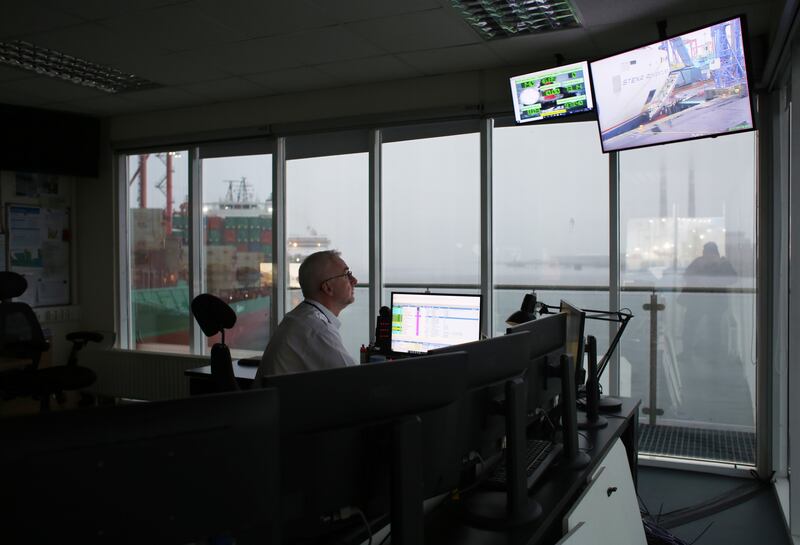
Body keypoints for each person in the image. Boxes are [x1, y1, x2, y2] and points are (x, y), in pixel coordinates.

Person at [256, 250, 358, 378]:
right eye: (346, 274)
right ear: (328, 288)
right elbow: (353, 378)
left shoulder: (301, 318)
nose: (354, 280)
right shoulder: (316, 329)